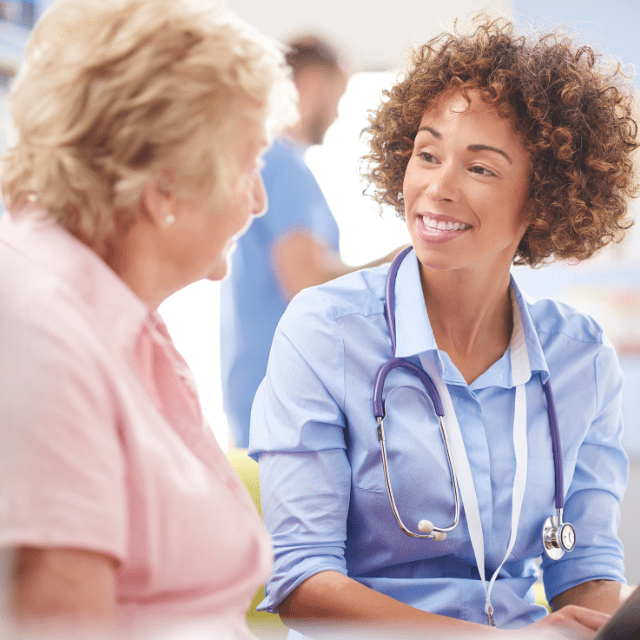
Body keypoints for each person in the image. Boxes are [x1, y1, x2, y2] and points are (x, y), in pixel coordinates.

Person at [249, 16, 639, 639]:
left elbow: (584, 564)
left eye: (480, 169)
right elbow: (301, 584)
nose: (437, 187)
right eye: (427, 155)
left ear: (542, 199)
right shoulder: (327, 330)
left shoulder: (580, 356)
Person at [0, 0, 295, 637]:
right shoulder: (39, 328)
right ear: (163, 191)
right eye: (248, 166)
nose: (260, 199)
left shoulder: (120, 317)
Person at [220, 35, 405, 449]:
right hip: (281, 409)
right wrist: (394, 265)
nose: (338, 113)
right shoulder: (282, 166)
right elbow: (306, 281)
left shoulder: (272, 164)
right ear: (311, 86)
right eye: (337, 97)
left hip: (260, 400)